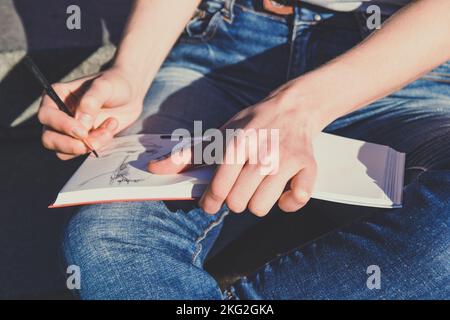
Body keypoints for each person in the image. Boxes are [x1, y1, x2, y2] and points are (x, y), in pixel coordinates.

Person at [38, 0, 450, 299]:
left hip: (403, 66)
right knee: (111, 238)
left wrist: (300, 106)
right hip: (221, 52)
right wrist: (129, 71)